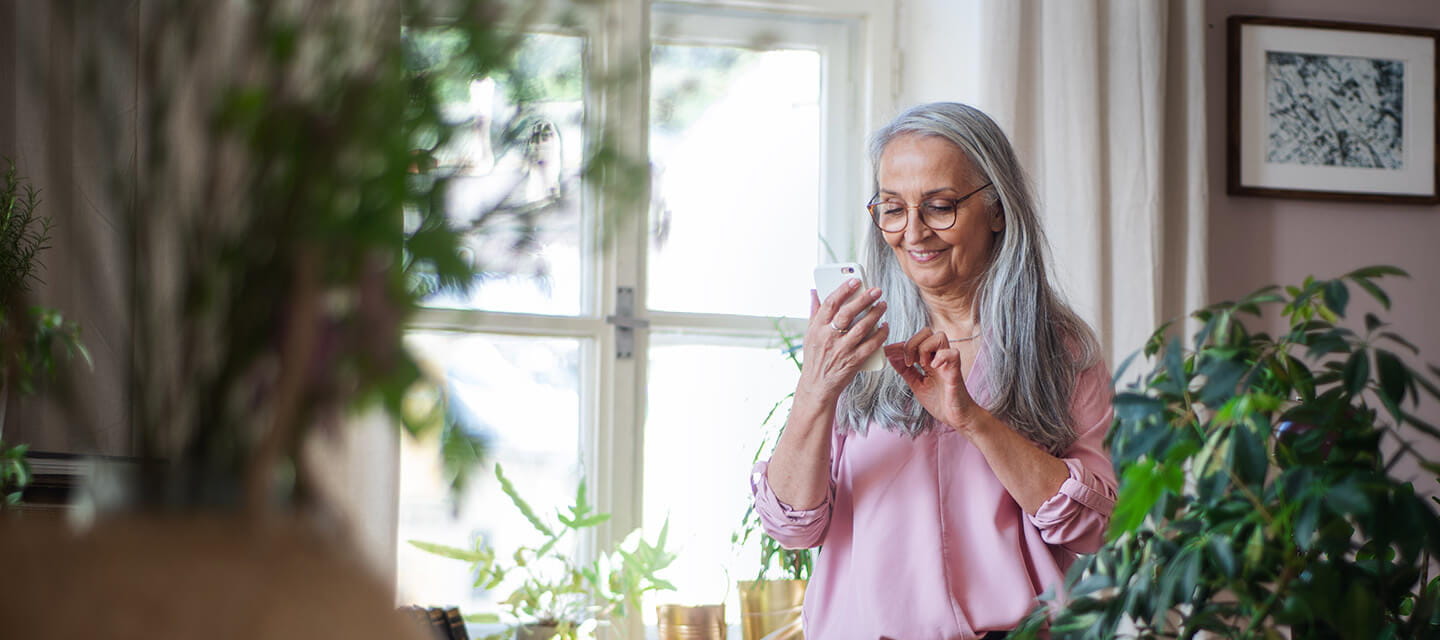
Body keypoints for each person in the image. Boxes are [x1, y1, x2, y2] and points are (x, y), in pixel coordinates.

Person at [750, 102, 1117, 639]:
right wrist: (816, 388)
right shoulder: (857, 342)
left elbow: (1089, 526)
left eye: (940, 206)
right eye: (893, 209)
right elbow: (792, 525)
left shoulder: (1059, 349)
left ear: (997, 209)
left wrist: (972, 419)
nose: (913, 233)